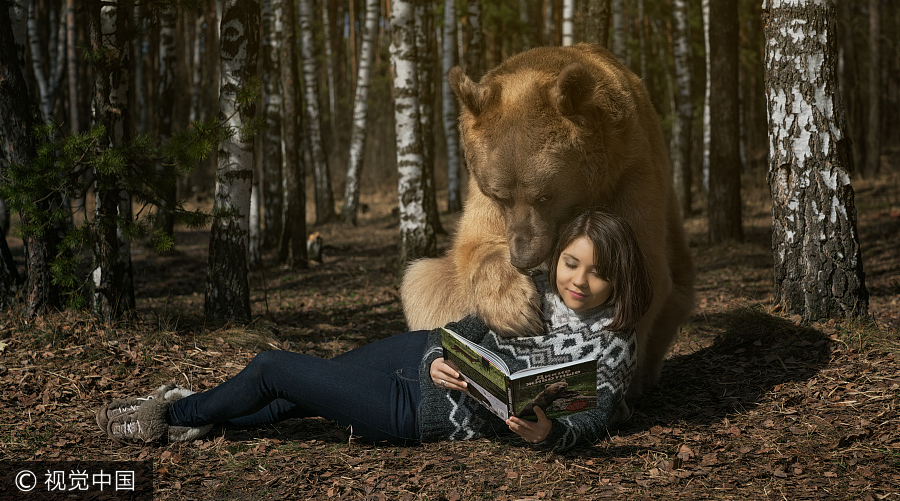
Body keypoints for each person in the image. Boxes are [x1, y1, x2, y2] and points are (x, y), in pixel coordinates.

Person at [96, 209, 652, 451]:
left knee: (273, 366)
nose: (579, 280)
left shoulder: (615, 341)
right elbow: (468, 326)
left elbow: (597, 415)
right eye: (572, 262)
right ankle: (202, 416)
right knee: (302, 389)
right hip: (423, 361)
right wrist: (439, 352)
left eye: (598, 271)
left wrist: (549, 434)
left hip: (425, 413)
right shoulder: (538, 288)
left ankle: (169, 416)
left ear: (618, 276)